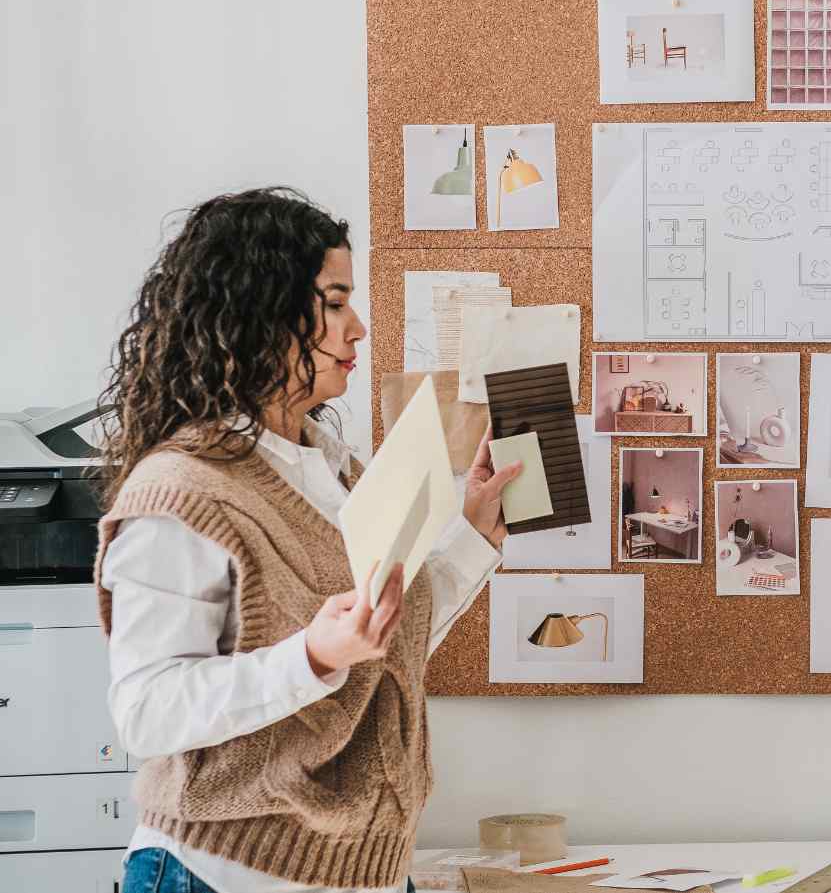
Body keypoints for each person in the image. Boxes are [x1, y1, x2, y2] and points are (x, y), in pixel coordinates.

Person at [94, 187, 521, 893]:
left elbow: (385, 644)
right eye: (332, 302)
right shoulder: (183, 489)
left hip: (368, 872)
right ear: (257, 314)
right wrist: (312, 656)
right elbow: (145, 710)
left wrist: (471, 536)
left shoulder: (336, 470)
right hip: (222, 874)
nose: (356, 328)